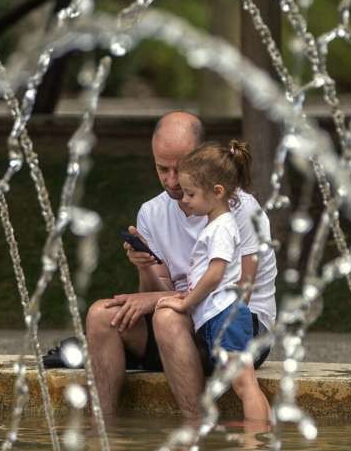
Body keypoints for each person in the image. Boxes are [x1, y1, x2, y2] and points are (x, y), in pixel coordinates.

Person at [82, 111, 277, 420]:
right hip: (182, 325)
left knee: (166, 318)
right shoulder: (151, 213)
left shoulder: (237, 209)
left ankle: (194, 428)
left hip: (236, 325)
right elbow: (155, 293)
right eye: (162, 169)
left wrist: (167, 302)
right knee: (100, 316)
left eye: (180, 168)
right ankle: (102, 431)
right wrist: (145, 268)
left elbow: (240, 293)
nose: (172, 181)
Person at [155, 139, 270, 420]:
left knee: (244, 384)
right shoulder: (217, 224)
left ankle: (253, 448)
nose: (184, 200)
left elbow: (215, 275)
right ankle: (262, 434)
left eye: (191, 194)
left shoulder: (221, 228)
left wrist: (186, 304)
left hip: (226, 316)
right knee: (245, 382)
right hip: (222, 315)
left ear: (217, 192)